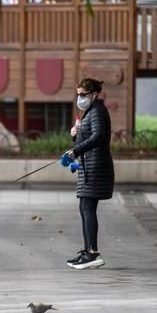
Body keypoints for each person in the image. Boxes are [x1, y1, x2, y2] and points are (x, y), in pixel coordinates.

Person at [63, 78, 114, 269]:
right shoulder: (90, 112)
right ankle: (88, 251)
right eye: (78, 94)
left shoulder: (98, 112)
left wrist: (76, 150)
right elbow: (86, 138)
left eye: (83, 95)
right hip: (88, 166)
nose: (80, 98)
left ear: (93, 95)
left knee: (87, 207)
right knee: (84, 207)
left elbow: (98, 137)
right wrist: (75, 134)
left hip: (97, 167)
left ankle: (93, 253)